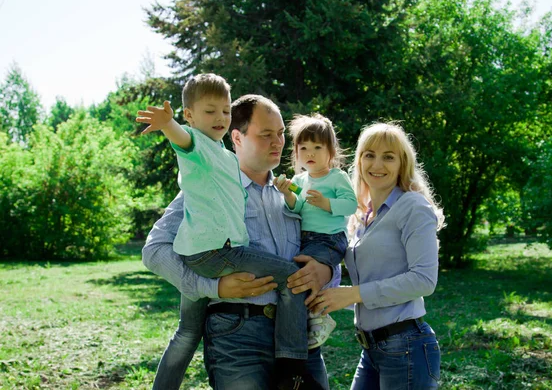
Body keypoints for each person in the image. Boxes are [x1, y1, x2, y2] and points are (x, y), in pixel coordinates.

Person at [142, 93, 340, 389]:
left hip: (301, 341)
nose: (278, 142)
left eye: (281, 133)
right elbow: (154, 251)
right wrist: (213, 287)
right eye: (266, 135)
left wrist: (325, 269)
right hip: (237, 338)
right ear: (237, 136)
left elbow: (328, 243)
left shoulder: (297, 193)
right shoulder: (208, 188)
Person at [309, 122, 444, 389]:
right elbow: (375, 283)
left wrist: (354, 294)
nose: (377, 164)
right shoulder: (362, 217)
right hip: (371, 349)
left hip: (406, 347)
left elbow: (423, 281)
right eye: (369, 155)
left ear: (402, 164)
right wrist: (331, 298)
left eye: (388, 157)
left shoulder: (413, 207)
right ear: (359, 161)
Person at [274, 114, 357, 348]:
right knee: (299, 276)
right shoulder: (299, 180)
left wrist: (327, 204)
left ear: (330, 151)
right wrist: (288, 193)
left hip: (330, 239)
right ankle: (311, 316)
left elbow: (351, 205)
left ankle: (319, 317)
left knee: (307, 276)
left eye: (317, 147)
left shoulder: (336, 177)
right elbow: (297, 206)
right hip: (306, 239)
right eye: (304, 148)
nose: (310, 153)